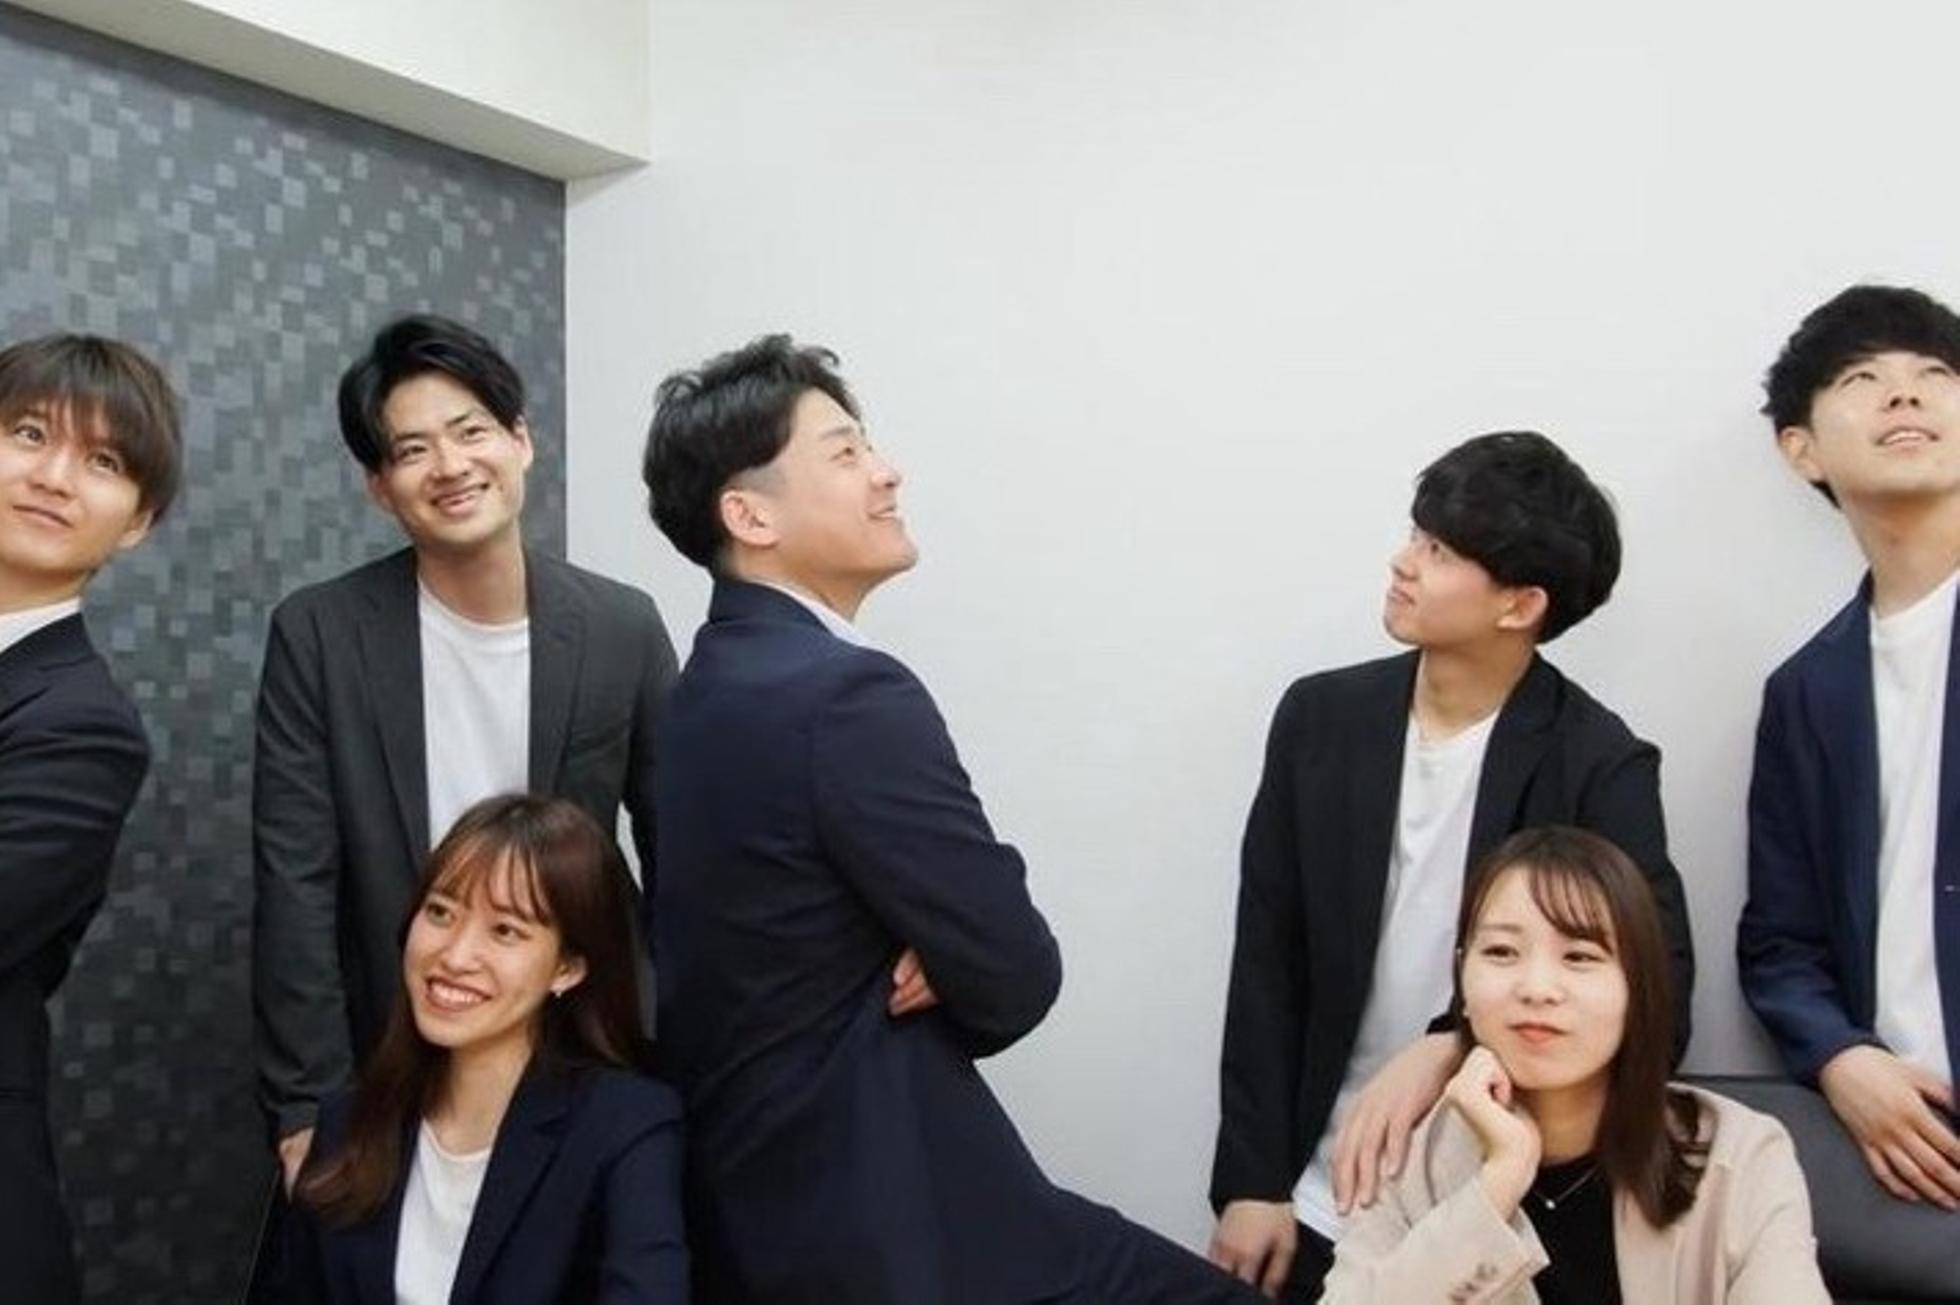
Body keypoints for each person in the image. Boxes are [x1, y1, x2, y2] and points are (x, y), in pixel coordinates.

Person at [641, 335, 1257, 1302]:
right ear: (749, 514)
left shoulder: (700, 693)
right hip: (894, 1220)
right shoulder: (845, 694)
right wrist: (950, 946)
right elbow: (1015, 970)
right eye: (845, 452)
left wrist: (934, 942)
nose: (887, 472)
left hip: (758, 1217)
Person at [1210, 431, 1696, 1300]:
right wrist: (1253, 1180)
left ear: (1520, 603)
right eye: (1415, 534)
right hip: (1318, 1187)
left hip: (1500, 1200)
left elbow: (1659, 995)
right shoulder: (1322, 718)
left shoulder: (1600, 763)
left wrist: (1456, 1040)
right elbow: (1268, 957)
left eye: (1439, 551)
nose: (1403, 562)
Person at [253, 314, 678, 1193]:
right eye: (412, 450)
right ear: (380, 486)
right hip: (397, 1039)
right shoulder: (320, 633)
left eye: (471, 431)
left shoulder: (622, 625)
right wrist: (307, 1102)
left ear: (521, 441)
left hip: (583, 1035)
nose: (449, 465)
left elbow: (686, 851)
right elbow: (295, 878)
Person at [1322, 826, 1825, 1303]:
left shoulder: (1742, 1156)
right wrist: (1497, 1184)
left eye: (1579, 956)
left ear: (1639, 988)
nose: (1537, 988)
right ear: (1462, 983)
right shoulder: (1409, 1158)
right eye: (1501, 951)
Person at [285, 793, 687, 1303]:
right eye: (440, 912)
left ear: (567, 968)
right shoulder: (347, 1123)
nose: (455, 956)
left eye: (504, 931)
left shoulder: (625, 1126)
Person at [1740, 283, 1960, 1210]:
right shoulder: (1806, 691)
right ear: (1802, 449)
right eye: (1863, 378)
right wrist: (1838, 1055)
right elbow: (1780, 939)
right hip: (1908, 1157)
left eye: (1935, 373)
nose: (1904, 392)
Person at [0, 333, 181, 1303]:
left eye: (103, 460)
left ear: (137, 522)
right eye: (30, 434)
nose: (54, 476)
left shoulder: (81, 725)